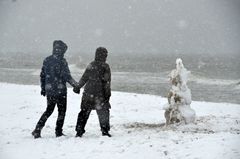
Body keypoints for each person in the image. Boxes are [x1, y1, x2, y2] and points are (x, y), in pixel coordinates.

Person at [32, 40, 78, 138]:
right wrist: (76, 86)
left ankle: (37, 129)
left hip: (50, 91)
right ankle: (58, 131)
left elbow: (42, 75)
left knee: (49, 110)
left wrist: (43, 88)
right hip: (61, 91)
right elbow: (67, 76)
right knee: (61, 111)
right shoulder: (62, 61)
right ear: (62, 50)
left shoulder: (47, 60)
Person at [73, 47, 111, 137]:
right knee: (103, 113)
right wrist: (107, 95)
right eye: (105, 54)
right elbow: (107, 82)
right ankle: (105, 131)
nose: (106, 56)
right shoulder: (105, 66)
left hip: (88, 93)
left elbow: (84, 78)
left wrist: (77, 87)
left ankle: (79, 131)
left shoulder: (91, 65)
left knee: (84, 112)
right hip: (100, 94)